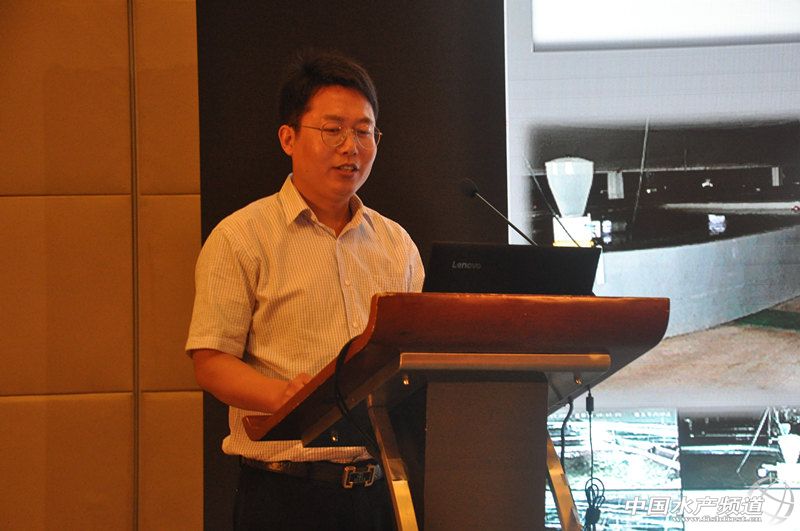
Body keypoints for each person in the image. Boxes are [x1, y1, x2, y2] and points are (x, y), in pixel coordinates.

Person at [185, 49, 424, 530]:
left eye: (364, 131)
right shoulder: (241, 237)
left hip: (381, 495)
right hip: (284, 494)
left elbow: (414, 358)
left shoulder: (397, 244)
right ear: (288, 138)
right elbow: (210, 361)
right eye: (333, 130)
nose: (351, 147)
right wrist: (287, 398)